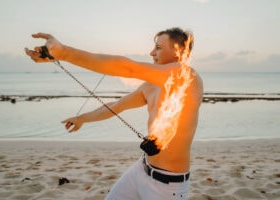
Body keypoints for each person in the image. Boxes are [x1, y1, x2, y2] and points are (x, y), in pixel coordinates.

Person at [25, 27, 203, 200]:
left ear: (179, 52)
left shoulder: (186, 77)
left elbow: (129, 69)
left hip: (167, 186)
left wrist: (64, 53)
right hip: (141, 170)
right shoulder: (151, 86)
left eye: (158, 48)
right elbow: (117, 106)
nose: (151, 53)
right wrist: (82, 119)